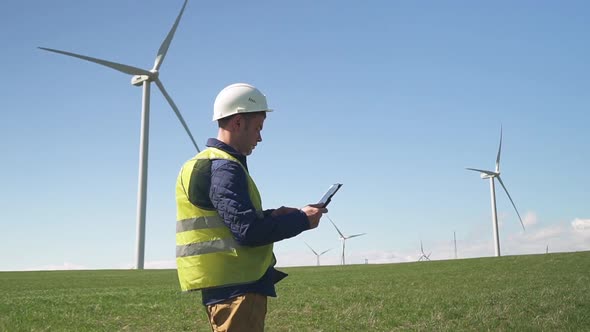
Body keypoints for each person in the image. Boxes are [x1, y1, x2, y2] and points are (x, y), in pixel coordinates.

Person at [175, 83, 327, 331]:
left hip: (223, 287)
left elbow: (226, 220)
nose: (260, 137)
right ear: (237, 123)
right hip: (238, 289)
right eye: (257, 128)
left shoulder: (200, 163)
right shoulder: (224, 167)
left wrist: (273, 215)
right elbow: (248, 232)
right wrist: (302, 220)